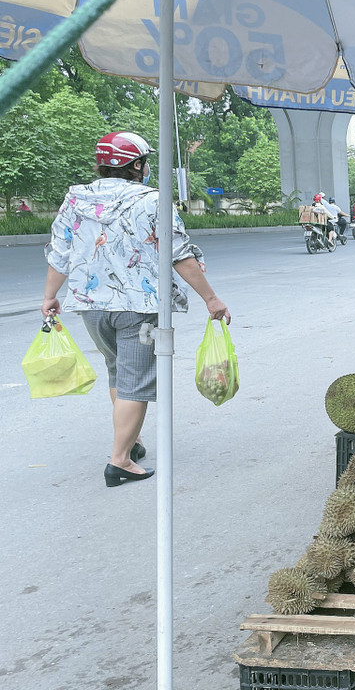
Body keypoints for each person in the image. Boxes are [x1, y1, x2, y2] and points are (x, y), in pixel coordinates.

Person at [41, 131, 230, 488]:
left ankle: (132, 441)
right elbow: (178, 254)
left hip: (90, 305)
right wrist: (211, 298)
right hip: (137, 307)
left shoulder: (75, 199)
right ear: (137, 166)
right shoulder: (153, 200)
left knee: (117, 370)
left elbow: (59, 253)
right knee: (135, 381)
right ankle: (120, 461)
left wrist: (50, 295)